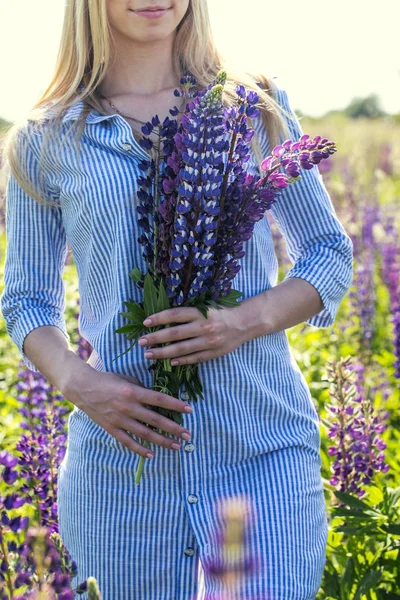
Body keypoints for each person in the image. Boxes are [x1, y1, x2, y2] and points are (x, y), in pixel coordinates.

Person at [0, 1, 354, 598]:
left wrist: (240, 322)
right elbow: (26, 298)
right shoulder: (48, 136)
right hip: (120, 472)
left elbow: (328, 253)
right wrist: (76, 381)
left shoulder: (253, 104)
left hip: (260, 450)